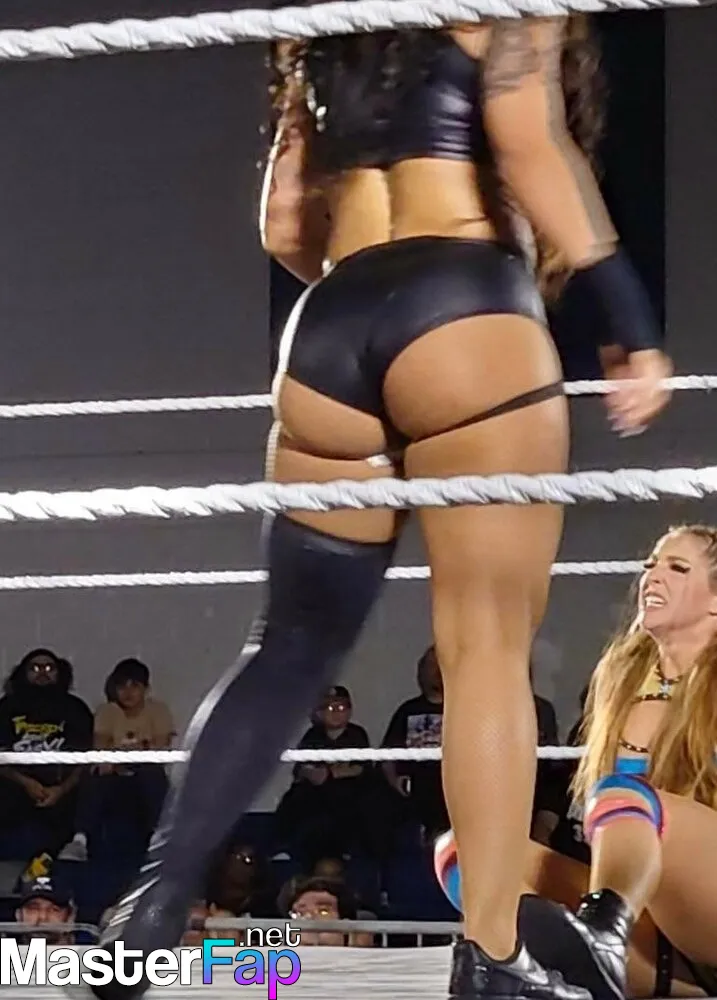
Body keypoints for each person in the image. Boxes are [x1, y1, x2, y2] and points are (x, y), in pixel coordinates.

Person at [86, 15, 672, 1000]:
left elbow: (283, 223)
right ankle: (491, 954)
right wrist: (628, 317)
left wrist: (376, 291)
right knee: (486, 646)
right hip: (466, 305)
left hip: (329, 323)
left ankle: (150, 906)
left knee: (286, 647)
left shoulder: (324, 28)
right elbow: (530, 141)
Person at [437, 524, 717, 999]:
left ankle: (604, 934)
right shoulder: (621, 678)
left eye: (677, 568)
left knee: (626, 796)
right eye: (651, 565)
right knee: (465, 853)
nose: (653, 577)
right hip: (657, 930)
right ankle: (520, 965)